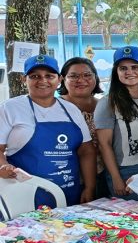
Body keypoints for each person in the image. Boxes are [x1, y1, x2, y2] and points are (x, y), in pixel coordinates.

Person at [0, 55, 96, 206]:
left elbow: (86, 151)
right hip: (23, 195)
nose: (43, 81)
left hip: (69, 194)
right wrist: (2, 166)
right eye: (35, 76)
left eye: (49, 76)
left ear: (59, 80)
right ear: (23, 79)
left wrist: (90, 187)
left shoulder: (72, 110)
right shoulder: (10, 108)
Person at [95, 46, 138, 199]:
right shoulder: (107, 103)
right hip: (126, 171)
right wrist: (116, 178)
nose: (129, 72)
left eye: (135, 67)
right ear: (116, 72)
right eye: (123, 68)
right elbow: (104, 144)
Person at [58, 57, 105, 198]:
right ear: (63, 79)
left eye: (87, 75)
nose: (81, 80)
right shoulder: (56, 107)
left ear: (95, 78)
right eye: (73, 76)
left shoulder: (105, 106)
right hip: (68, 178)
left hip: (103, 175)